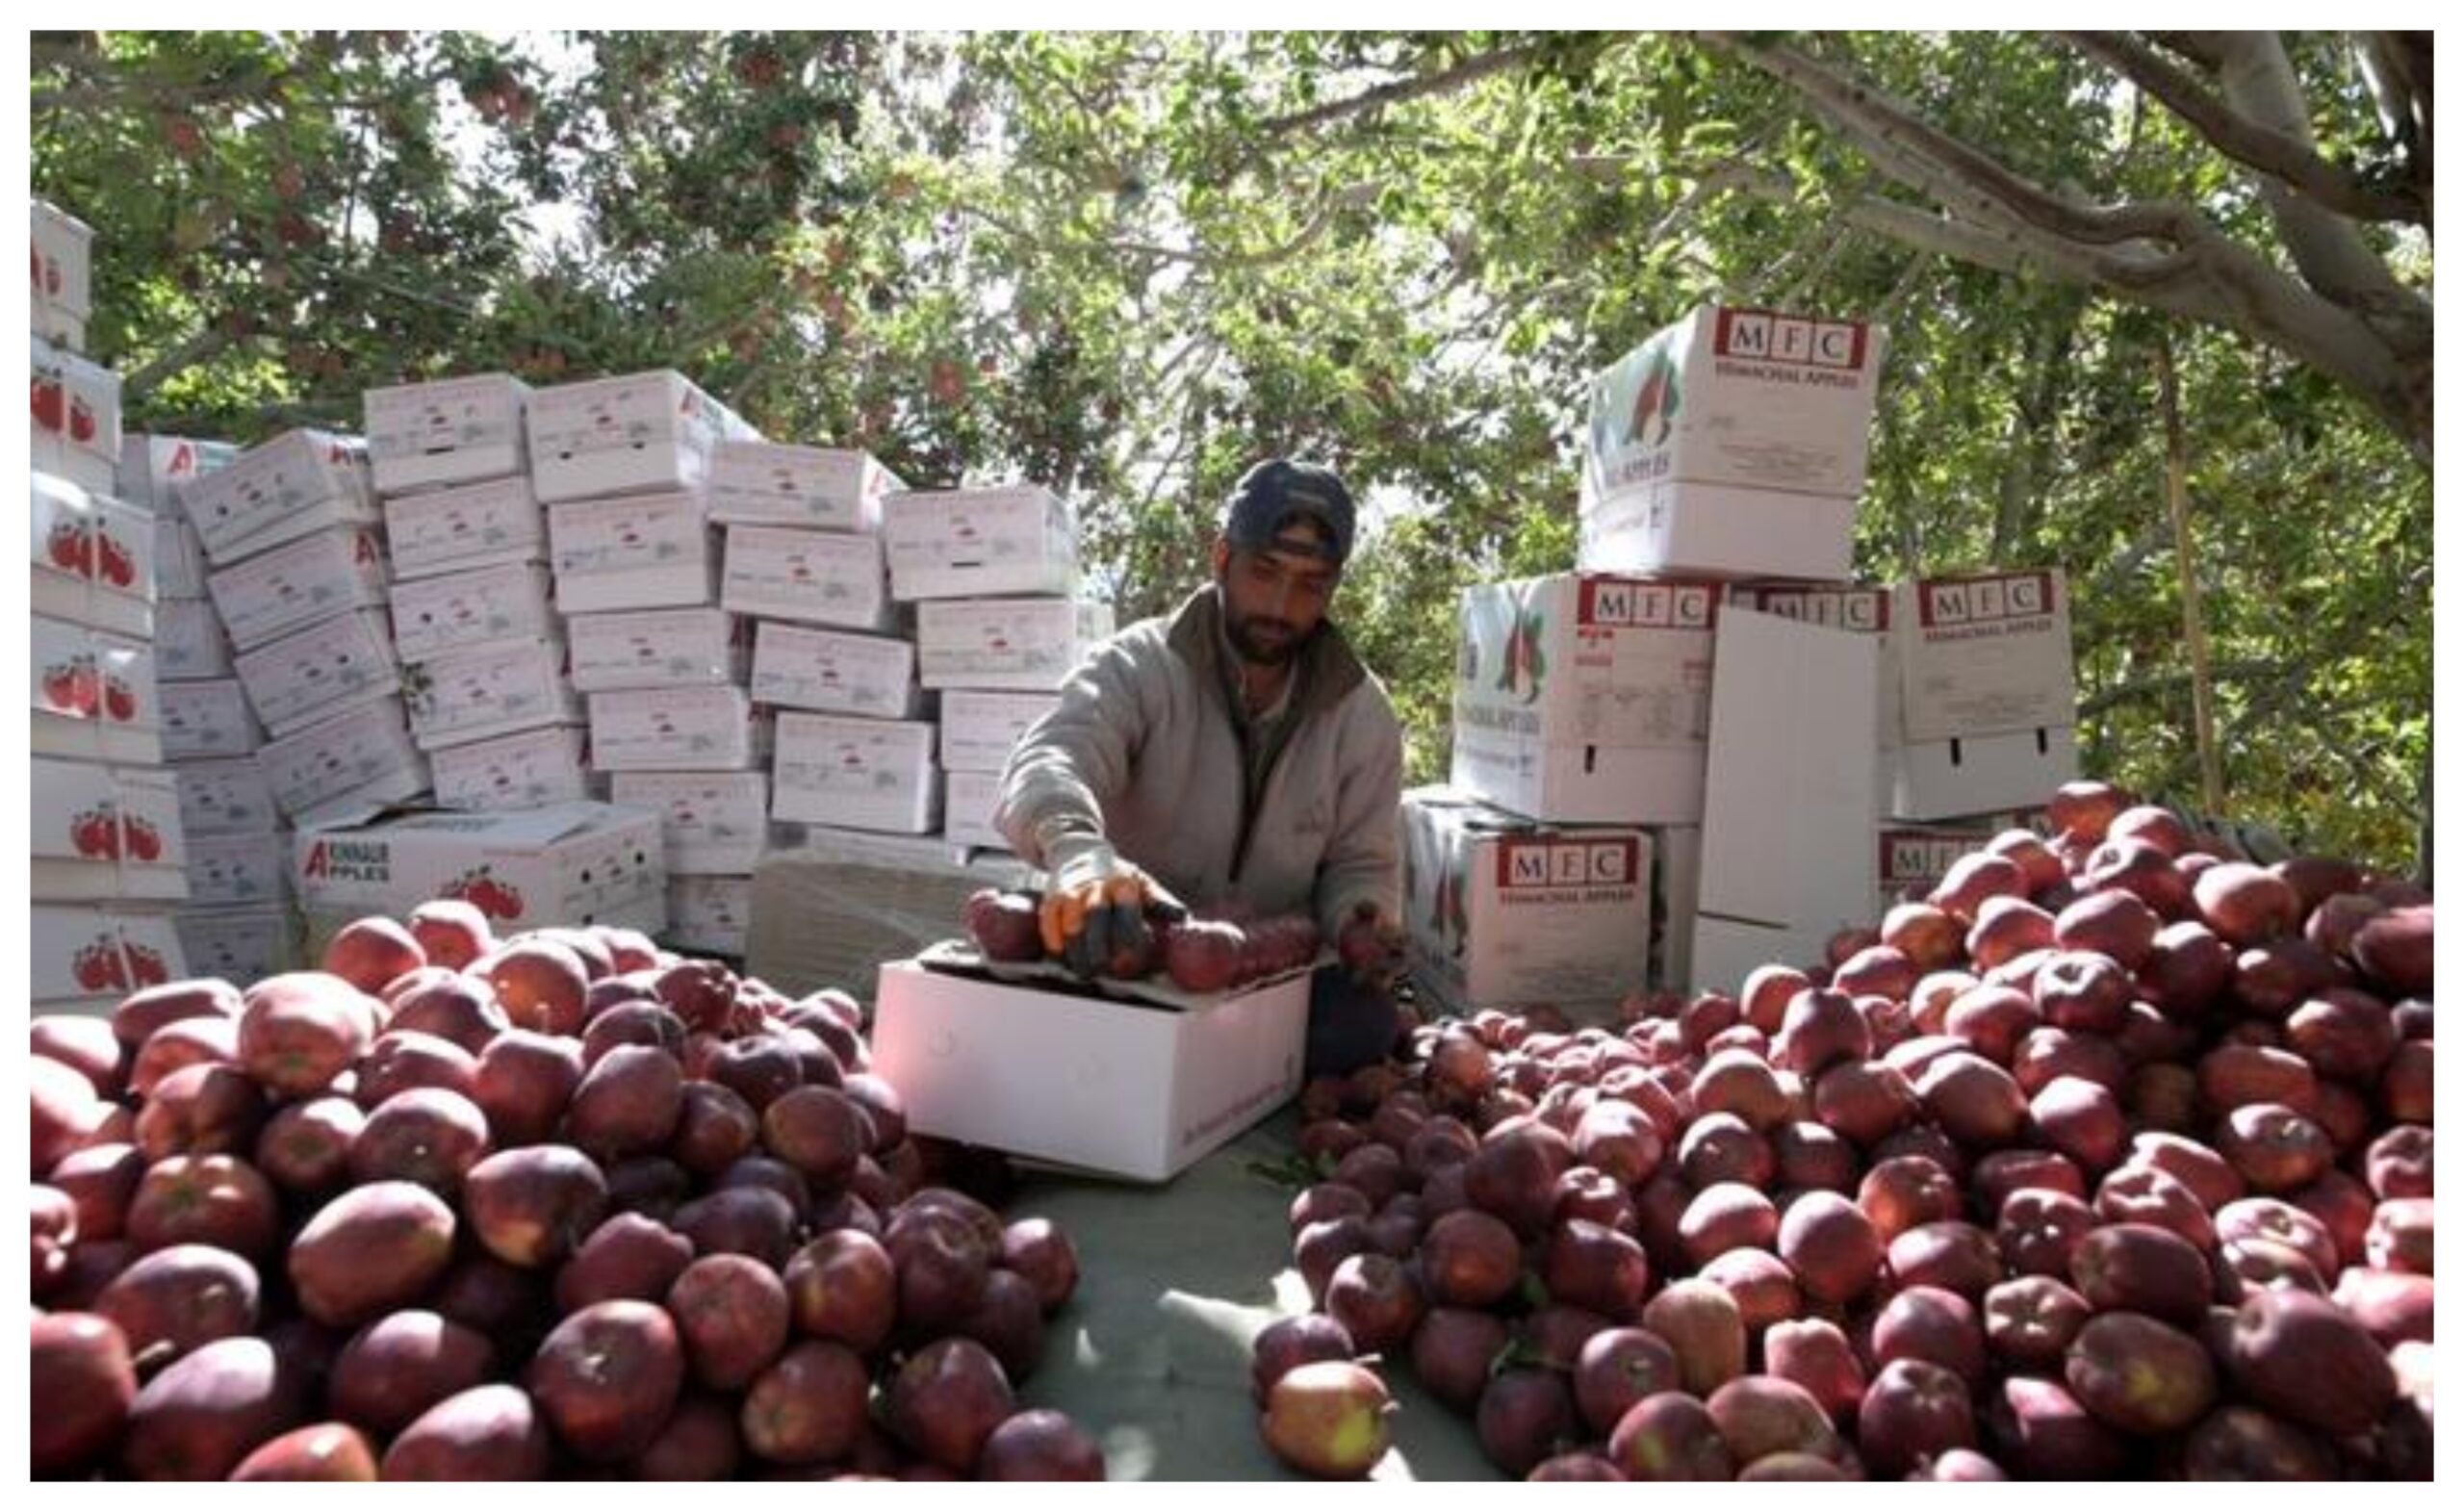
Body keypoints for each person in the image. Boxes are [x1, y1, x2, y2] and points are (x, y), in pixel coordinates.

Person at [993, 457, 1408, 1076]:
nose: (1279, 604)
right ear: (1221, 558)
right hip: (1123, 948)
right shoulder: (1139, 666)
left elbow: (1362, 863)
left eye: (1309, 584)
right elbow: (1051, 759)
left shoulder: (1361, 713)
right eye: (1264, 571)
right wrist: (1078, 853)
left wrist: (1362, 920)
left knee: (1362, 1026)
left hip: (1257, 975)